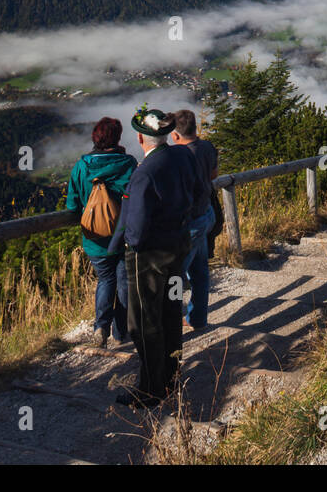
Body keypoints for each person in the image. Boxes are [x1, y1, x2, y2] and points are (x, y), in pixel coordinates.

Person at [114, 106, 207, 409]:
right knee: (170, 312)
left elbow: (137, 229)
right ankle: (171, 376)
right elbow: (198, 194)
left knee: (143, 322)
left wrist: (129, 246)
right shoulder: (183, 156)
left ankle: (150, 388)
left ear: (141, 138)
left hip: (149, 256)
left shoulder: (145, 174)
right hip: (178, 245)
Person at [65, 117, 138, 349]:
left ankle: (100, 328)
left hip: (94, 239)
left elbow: (72, 206)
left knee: (105, 280)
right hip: (124, 235)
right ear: (117, 138)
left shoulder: (81, 166)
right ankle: (121, 332)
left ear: (95, 138)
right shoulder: (128, 163)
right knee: (124, 281)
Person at [171, 109, 218, 332]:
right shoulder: (207, 147)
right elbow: (214, 175)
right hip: (206, 214)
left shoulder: (177, 157)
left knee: (175, 275)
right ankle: (197, 318)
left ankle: (172, 320)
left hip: (189, 222)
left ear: (176, 135)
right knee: (200, 272)